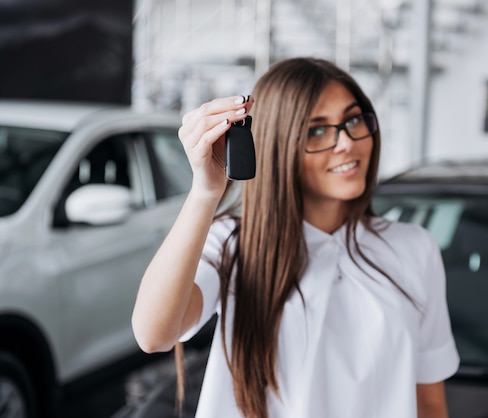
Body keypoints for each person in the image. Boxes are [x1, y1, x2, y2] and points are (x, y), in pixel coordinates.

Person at [132, 57, 460, 418]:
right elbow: (154, 334)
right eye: (317, 130)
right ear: (278, 145)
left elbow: (429, 402)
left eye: (353, 120)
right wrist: (204, 194)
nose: (347, 143)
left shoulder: (414, 247)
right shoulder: (233, 242)